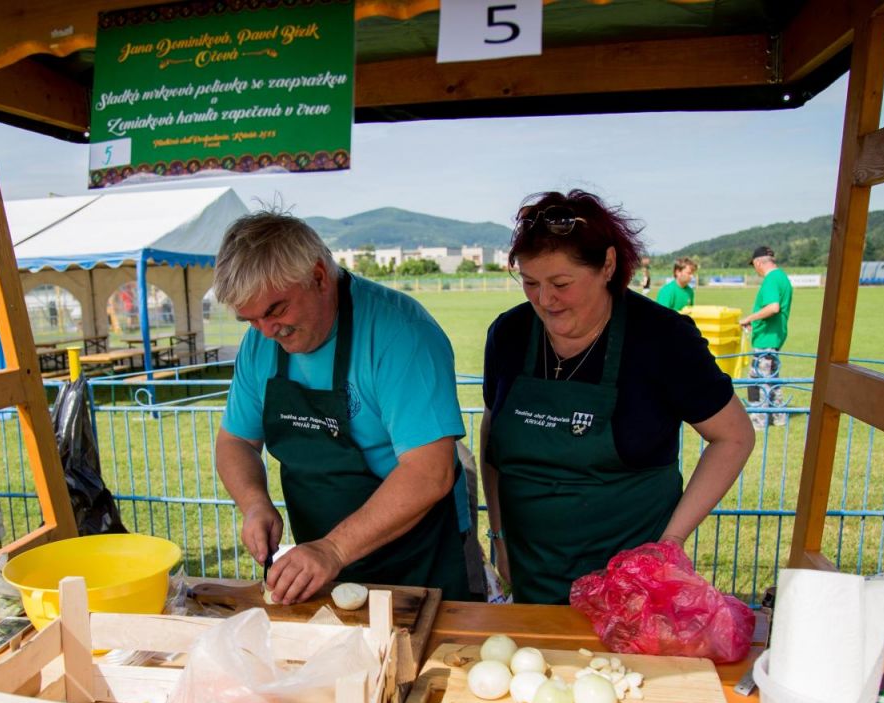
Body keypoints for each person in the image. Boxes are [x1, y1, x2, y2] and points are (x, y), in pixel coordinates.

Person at [480, 191, 755, 604]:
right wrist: (499, 535)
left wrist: (671, 542)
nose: (544, 300)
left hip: (633, 584)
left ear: (607, 265)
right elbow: (492, 432)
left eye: (561, 284)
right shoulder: (509, 334)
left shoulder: (661, 338)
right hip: (530, 572)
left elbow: (734, 436)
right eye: (530, 282)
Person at [213, 210, 472, 604]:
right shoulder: (259, 343)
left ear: (319, 277)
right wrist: (254, 504)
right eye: (250, 320)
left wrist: (334, 549)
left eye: (275, 310)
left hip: (418, 554)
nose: (266, 332)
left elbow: (428, 472)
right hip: (320, 560)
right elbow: (235, 441)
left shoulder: (400, 334)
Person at [739, 246, 794, 429]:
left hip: (766, 339)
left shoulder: (771, 279)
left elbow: (773, 307)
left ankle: (758, 421)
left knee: (758, 381)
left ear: (758, 263)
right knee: (772, 379)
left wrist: (750, 318)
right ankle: (779, 418)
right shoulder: (782, 277)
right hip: (775, 337)